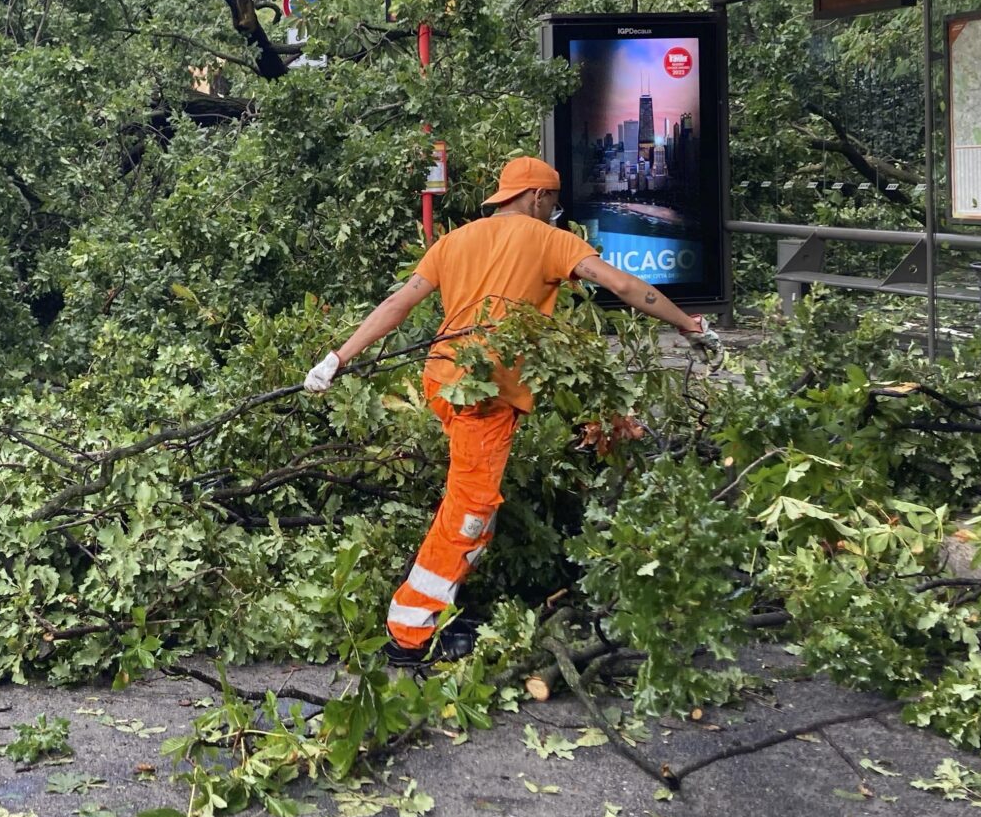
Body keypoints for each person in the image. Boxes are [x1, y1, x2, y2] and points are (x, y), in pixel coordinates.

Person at [303, 155, 718, 668]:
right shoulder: (552, 240)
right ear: (539, 197)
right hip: (484, 396)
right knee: (471, 509)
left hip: (443, 381)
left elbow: (398, 304)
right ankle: (408, 633)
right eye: (553, 203)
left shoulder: (455, 241)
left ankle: (437, 607)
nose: (553, 212)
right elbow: (627, 287)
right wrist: (689, 325)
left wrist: (336, 358)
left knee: (476, 505)